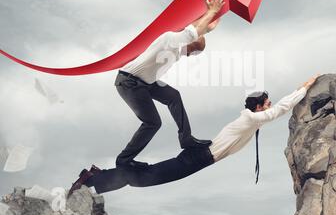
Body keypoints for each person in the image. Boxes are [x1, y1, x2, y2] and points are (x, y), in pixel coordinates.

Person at [68, 75, 319, 196]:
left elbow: (274, 110)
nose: (270, 105)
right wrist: (303, 88)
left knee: (152, 175)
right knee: (150, 177)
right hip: (200, 157)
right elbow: (280, 110)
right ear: (259, 105)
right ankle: (92, 180)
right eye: (267, 102)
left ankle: (96, 177)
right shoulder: (250, 118)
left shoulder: (250, 118)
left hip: (201, 157)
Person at [113, 0, 227, 170]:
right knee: (152, 122)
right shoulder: (171, 39)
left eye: (191, 53)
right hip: (129, 82)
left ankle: (186, 139)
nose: (188, 54)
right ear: (188, 42)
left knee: (173, 95)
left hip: (146, 83)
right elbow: (193, 32)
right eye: (191, 51)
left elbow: (199, 31)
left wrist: (211, 19)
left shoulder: (180, 49)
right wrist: (212, 10)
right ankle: (124, 161)